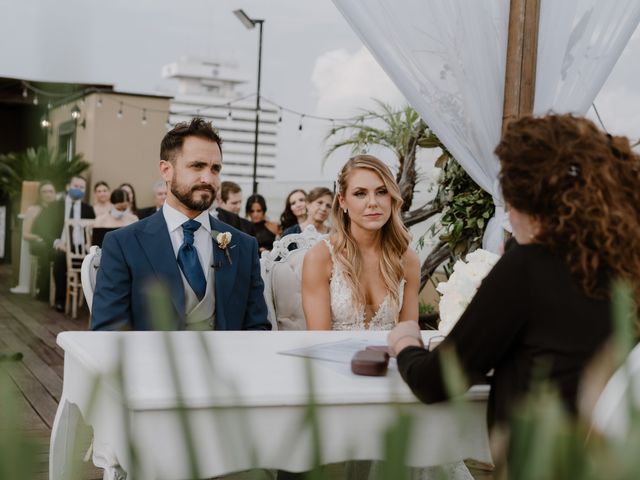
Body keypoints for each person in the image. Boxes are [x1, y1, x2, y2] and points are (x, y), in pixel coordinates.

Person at [388, 114, 640, 438]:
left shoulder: (530, 265)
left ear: (522, 199)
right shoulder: (626, 262)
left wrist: (406, 342)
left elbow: (435, 382)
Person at [91, 117, 271, 331]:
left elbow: (257, 328)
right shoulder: (122, 244)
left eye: (215, 169)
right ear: (166, 170)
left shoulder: (243, 246)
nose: (208, 178)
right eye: (197, 166)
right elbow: (108, 334)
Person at [303, 155, 420, 331]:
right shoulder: (320, 258)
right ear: (342, 201)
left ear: (391, 197)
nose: (373, 203)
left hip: (392, 358)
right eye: (360, 194)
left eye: (381, 192)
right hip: (333, 357)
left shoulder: (407, 259)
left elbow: (408, 337)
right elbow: (319, 340)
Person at [32, 175, 95, 311]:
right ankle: (60, 300)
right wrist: (56, 242)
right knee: (59, 258)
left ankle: (85, 302)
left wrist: (88, 243)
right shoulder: (54, 206)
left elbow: (92, 231)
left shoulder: (88, 209)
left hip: (80, 247)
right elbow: (39, 227)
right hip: (60, 245)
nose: (78, 189)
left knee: (92, 261)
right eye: (75, 186)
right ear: (68, 187)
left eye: (81, 187)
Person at [23, 181, 57, 300]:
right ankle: (44, 291)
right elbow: (25, 234)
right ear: (40, 194)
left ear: (55, 193)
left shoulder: (59, 210)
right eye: (44, 191)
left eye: (51, 191)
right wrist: (39, 238)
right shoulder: (33, 209)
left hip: (53, 243)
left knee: (56, 252)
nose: (48, 194)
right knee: (46, 249)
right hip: (38, 243)